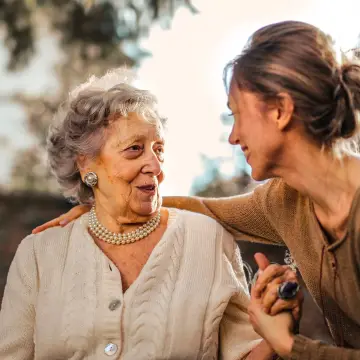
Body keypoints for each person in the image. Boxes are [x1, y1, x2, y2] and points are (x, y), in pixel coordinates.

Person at [35, 20, 360, 359]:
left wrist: (289, 345)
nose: (233, 136)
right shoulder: (284, 201)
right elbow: (206, 210)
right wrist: (106, 205)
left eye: (237, 115)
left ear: (280, 111)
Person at [0, 69, 297, 360]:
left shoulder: (207, 240)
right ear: (87, 164)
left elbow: (243, 353)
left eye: (159, 149)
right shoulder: (38, 254)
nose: (155, 166)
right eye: (134, 149)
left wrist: (274, 336)